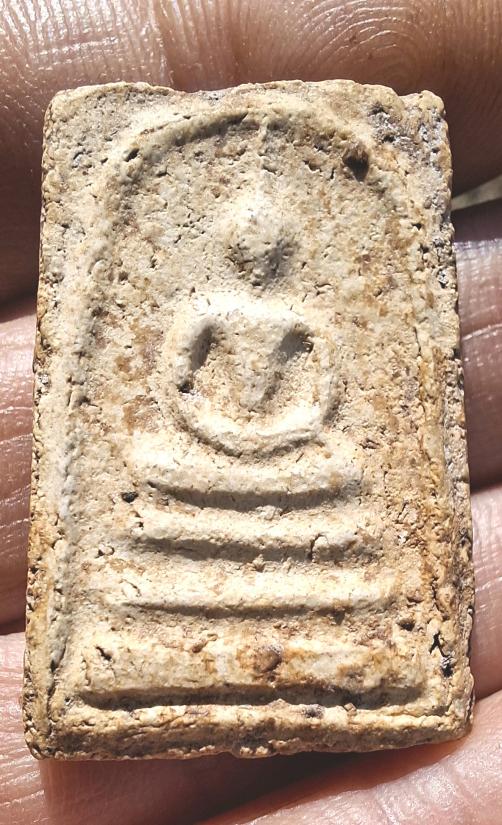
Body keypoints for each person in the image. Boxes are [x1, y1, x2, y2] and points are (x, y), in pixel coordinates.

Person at [1, 1, 501, 822]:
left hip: (287, 451)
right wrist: (221, 434)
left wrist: (284, 435)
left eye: (270, 248)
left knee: (346, 479)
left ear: (282, 253)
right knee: (152, 477)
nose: (259, 257)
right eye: (250, 247)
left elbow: (323, 397)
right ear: (235, 251)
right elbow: (178, 392)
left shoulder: (298, 317)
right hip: (210, 450)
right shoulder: (207, 312)